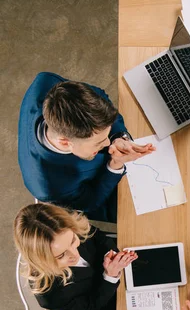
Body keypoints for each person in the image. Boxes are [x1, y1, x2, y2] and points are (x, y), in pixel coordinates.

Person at [18, 72, 155, 222]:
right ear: (65, 142)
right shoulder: (51, 186)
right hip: (102, 191)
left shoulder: (46, 82)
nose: (107, 144)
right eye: (98, 142)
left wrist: (118, 137)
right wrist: (115, 164)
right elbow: (92, 201)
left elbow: (99, 97)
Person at [14, 203, 137, 310]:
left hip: (120, 264)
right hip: (107, 300)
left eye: (73, 241)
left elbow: (97, 236)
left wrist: (112, 256)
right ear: (42, 261)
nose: (75, 255)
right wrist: (110, 276)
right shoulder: (49, 295)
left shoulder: (66, 225)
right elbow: (91, 306)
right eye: (61, 255)